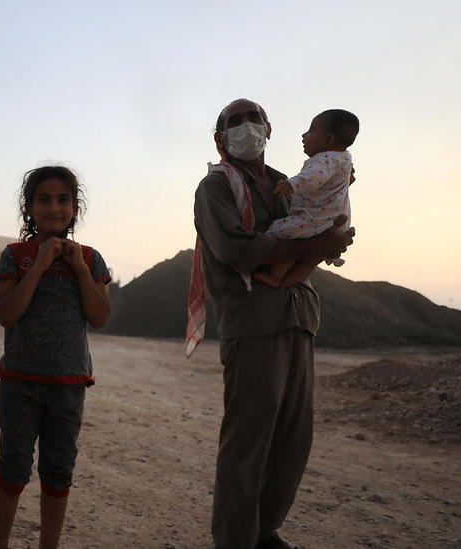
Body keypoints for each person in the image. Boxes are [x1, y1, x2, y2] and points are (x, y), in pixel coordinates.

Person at [189, 99, 355, 549]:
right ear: (220, 139)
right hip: (254, 320)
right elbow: (236, 249)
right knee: (249, 441)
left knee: (293, 439)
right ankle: (234, 540)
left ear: (268, 129)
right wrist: (320, 244)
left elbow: (320, 222)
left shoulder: (290, 183)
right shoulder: (216, 186)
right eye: (234, 122)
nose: (246, 127)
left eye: (254, 118)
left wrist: (334, 220)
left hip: (299, 315)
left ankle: (264, 531)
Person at [0, 166, 111, 549]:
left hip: (68, 386)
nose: (54, 208)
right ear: (29, 207)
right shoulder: (16, 255)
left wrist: (79, 269)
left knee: (58, 476)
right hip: (19, 385)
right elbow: (6, 313)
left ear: (75, 207)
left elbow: (99, 317)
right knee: (12, 473)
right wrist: (40, 264)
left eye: (62, 199)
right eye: (44, 199)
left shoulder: (89, 258)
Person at [252, 109, 360, 288]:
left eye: (311, 130)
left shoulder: (325, 159)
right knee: (311, 259)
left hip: (316, 219)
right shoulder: (343, 158)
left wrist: (291, 185)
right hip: (335, 221)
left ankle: (276, 276)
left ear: (328, 139)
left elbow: (312, 178)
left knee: (281, 233)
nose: (304, 135)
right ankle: (283, 281)